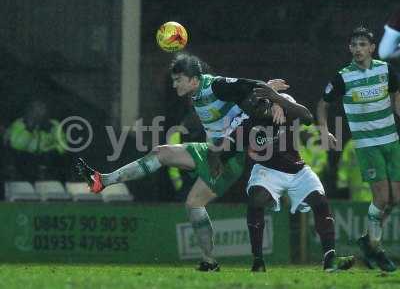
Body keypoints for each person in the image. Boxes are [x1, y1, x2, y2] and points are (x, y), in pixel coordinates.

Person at [77, 53, 288, 271]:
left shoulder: (216, 86)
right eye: (174, 79)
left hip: (229, 159)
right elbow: (247, 94)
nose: (174, 83)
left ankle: (210, 261)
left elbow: (249, 86)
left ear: (194, 79)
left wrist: (274, 100)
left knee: (193, 203)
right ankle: (102, 180)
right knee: (162, 152)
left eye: (179, 79)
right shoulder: (197, 93)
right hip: (211, 151)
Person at [237, 87, 355, 272]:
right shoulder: (248, 124)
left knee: (320, 200)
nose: (259, 107)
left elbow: (307, 116)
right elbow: (231, 143)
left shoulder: (283, 108)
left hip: (297, 168)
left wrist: (278, 100)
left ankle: (330, 259)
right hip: (268, 170)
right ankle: (258, 260)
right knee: (256, 199)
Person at [317, 26, 400, 272]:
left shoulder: (386, 70)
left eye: (362, 44)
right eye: (354, 45)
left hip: (391, 141)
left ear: (372, 48)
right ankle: (375, 247)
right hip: (367, 145)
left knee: (395, 199)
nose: (357, 49)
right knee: (382, 198)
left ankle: (368, 241)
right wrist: (324, 130)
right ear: (349, 49)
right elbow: (323, 104)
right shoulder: (343, 77)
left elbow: (396, 98)